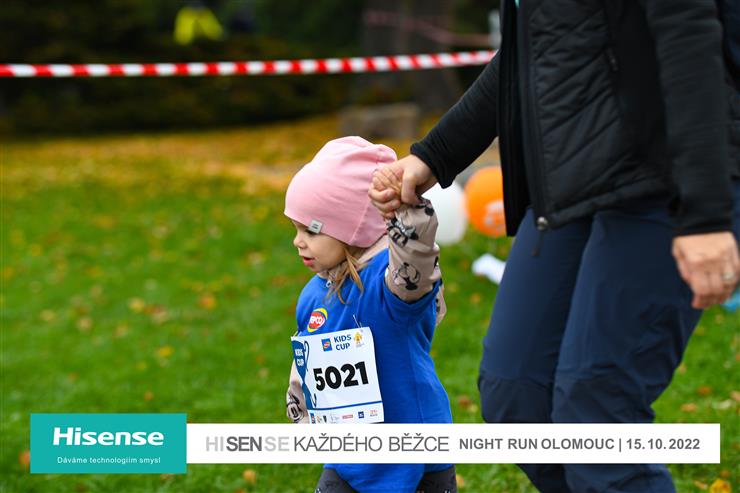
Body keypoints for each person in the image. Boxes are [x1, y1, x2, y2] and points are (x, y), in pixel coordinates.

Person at [369, 1, 740, 491]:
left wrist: (704, 213)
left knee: (596, 416)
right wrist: (435, 156)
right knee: (518, 400)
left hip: (660, 182)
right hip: (567, 189)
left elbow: (688, 37)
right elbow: (527, 52)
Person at [283, 136, 457, 493]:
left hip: (416, 454)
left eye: (311, 229)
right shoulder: (313, 294)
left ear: (352, 227)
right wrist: (303, 410)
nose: (298, 241)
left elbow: (415, 267)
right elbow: (309, 360)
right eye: (296, 229)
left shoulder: (388, 286)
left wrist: (406, 217)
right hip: (347, 457)